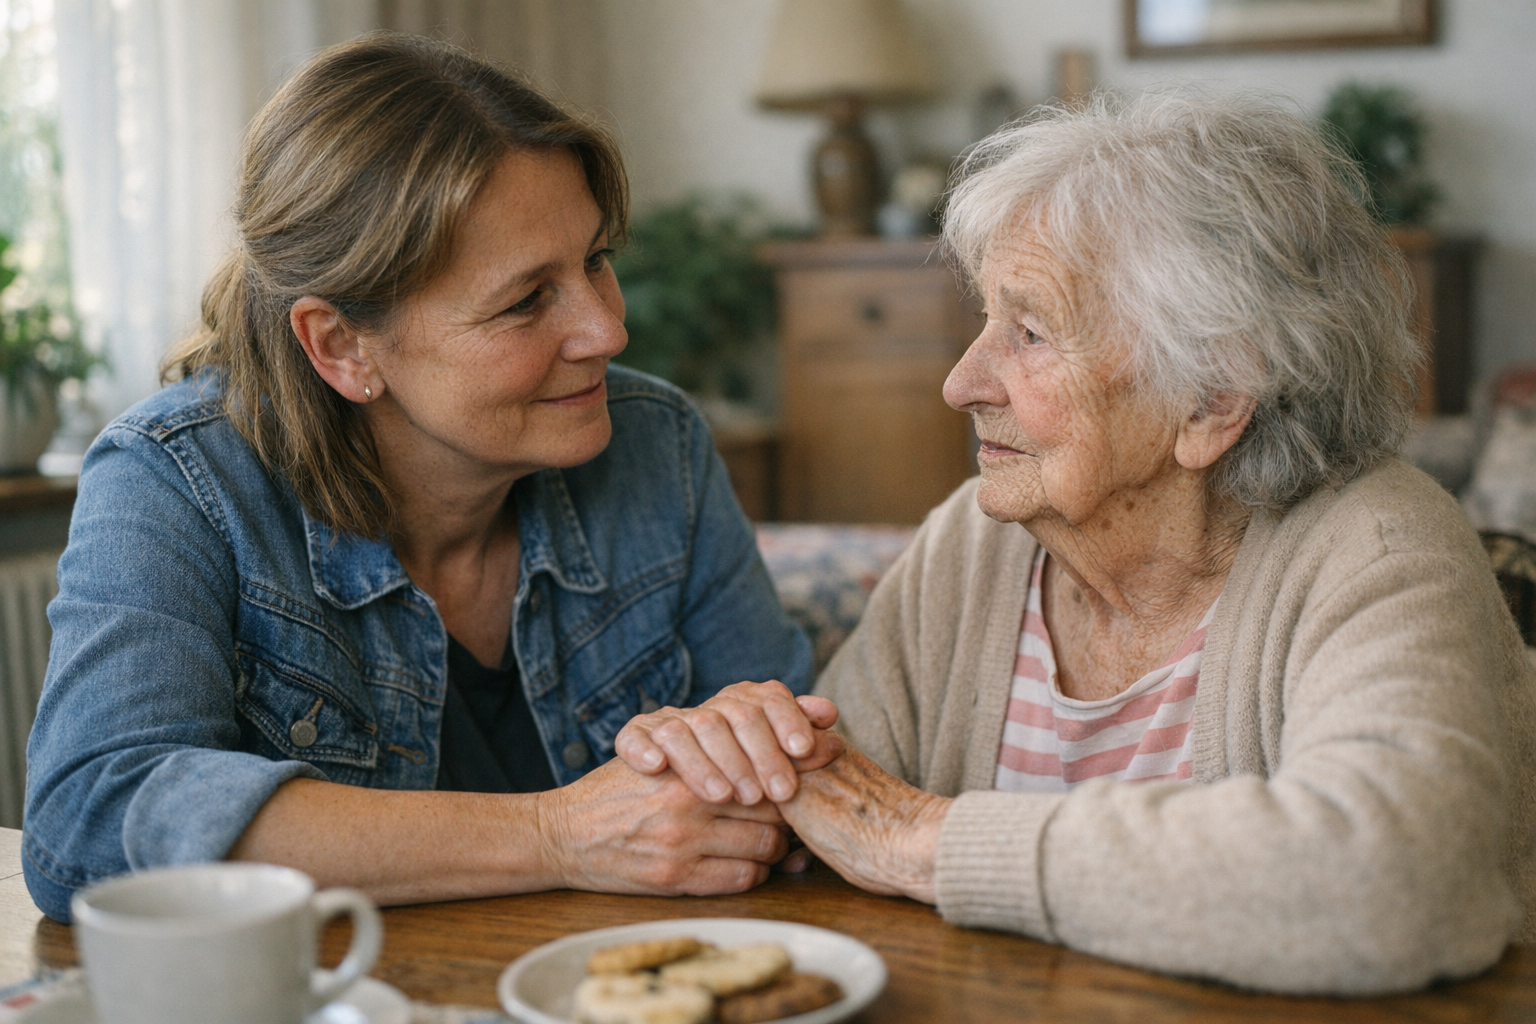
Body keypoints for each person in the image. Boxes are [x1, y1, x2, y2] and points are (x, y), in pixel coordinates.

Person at [615, 92, 1536, 995]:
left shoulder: (1378, 551)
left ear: (1212, 402)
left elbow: (1400, 882)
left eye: (1030, 331)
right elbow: (826, 809)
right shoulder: (974, 548)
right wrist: (737, 762)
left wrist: (925, 842)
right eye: (984, 321)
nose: (961, 382)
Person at [23, 33, 825, 923]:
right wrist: (561, 834)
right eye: (526, 301)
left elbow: (794, 773)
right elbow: (89, 820)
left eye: (597, 260)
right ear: (340, 344)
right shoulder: (177, 482)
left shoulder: (657, 443)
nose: (605, 330)